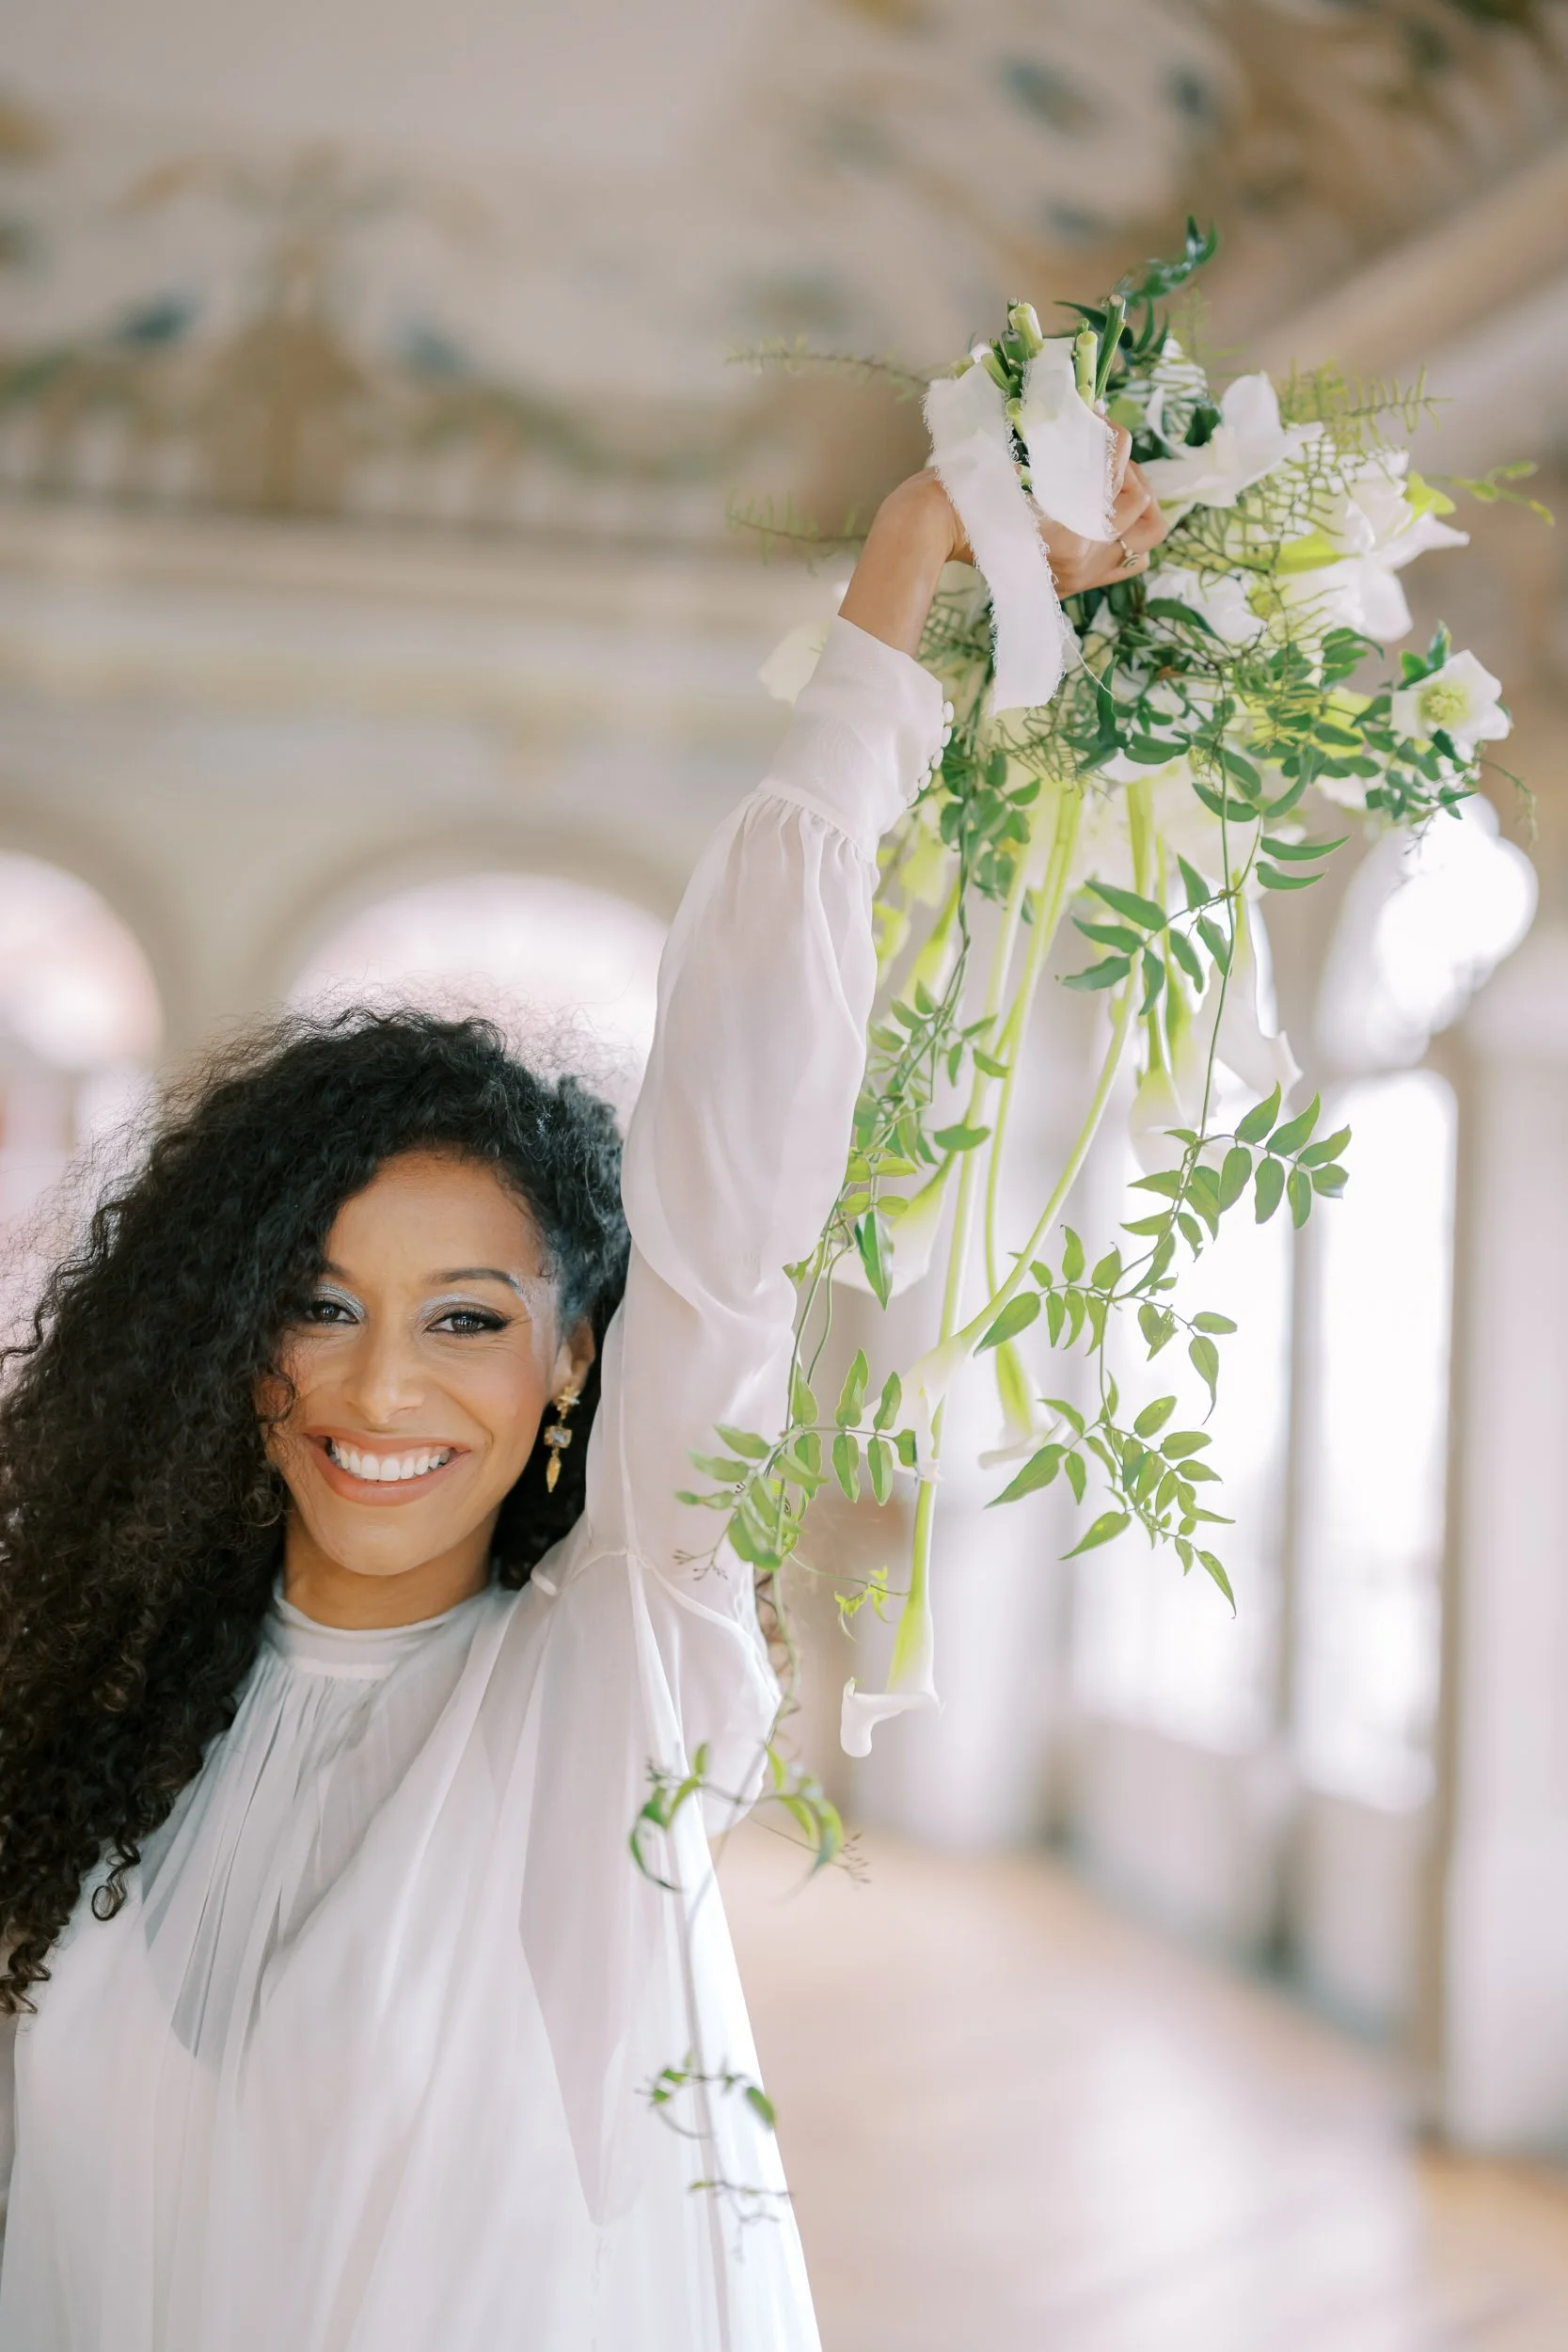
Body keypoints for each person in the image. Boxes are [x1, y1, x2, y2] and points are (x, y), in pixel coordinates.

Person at [0, 450, 1165, 2350]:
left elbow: (731, 1194)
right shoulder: (116, 1690)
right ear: (229, 1329)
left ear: (575, 1361)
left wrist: (893, 599)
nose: (381, 1383)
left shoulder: (609, 1677)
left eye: (466, 1319)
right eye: (316, 1299)